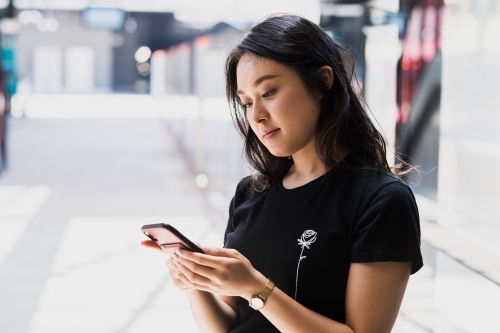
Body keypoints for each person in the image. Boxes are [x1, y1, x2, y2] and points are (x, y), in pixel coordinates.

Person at [142, 13, 423, 333]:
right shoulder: (250, 193)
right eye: (246, 102)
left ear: (323, 82)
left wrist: (256, 289)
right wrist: (194, 282)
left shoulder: (381, 201)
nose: (257, 116)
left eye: (269, 92)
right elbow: (227, 326)